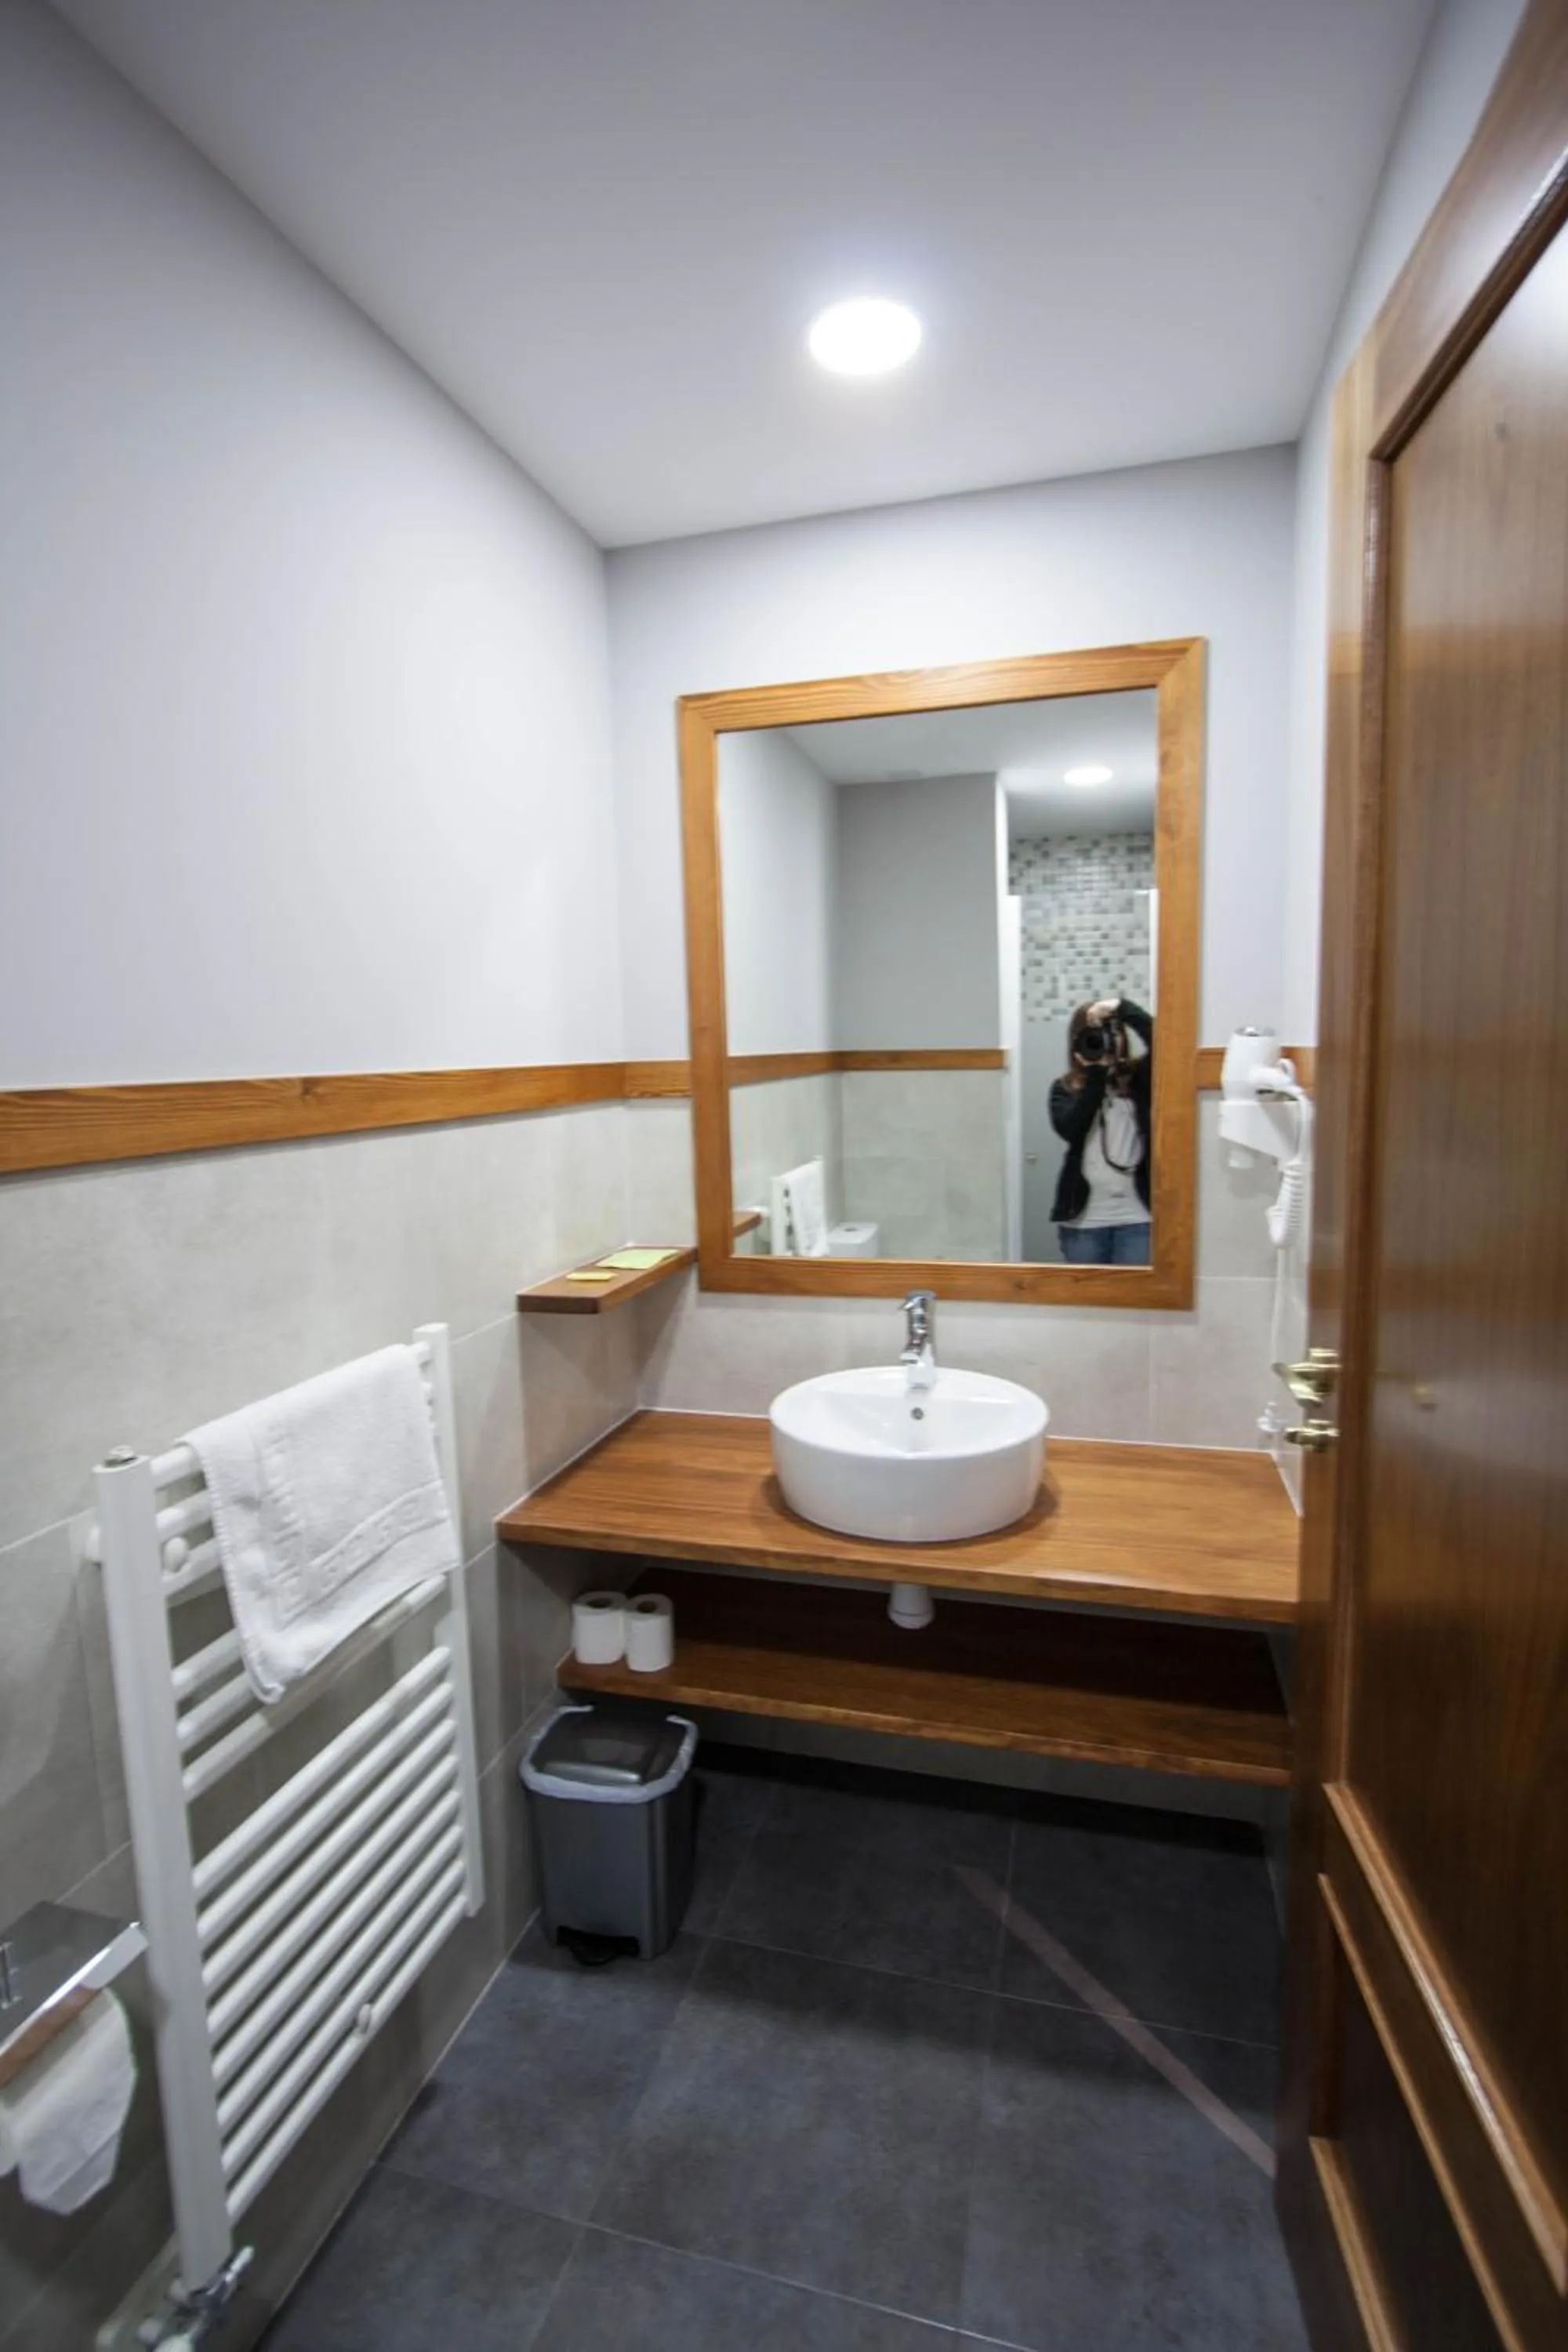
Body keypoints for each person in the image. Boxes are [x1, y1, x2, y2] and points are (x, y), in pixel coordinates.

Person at [1048, 995, 1152, 1265]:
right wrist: (1096, 1075)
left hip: (1137, 1218)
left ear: (1123, 1036)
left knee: (1135, 1293)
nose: (1105, 1039)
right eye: (1093, 1034)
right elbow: (1073, 1129)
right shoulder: (1064, 1089)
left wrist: (1122, 1008)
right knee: (1087, 1294)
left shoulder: (1140, 1079)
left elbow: (1167, 1045)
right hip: (1084, 1222)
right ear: (1077, 1042)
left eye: (1112, 1031)